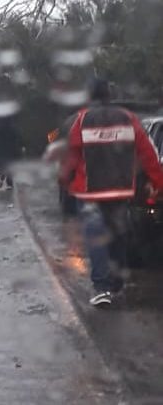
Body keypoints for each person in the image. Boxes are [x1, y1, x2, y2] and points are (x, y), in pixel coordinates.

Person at [60, 78, 163, 307]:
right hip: (120, 191)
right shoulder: (128, 119)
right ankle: (116, 283)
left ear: (89, 96)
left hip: (90, 193)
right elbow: (148, 153)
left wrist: (65, 181)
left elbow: (71, 157)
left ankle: (102, 287)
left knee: (96, 238)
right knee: (118, 236)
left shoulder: (82, 120)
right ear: (109, 95)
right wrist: (158, 181)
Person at [0, 116, 21, 190]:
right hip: (8, 151)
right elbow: (16, 140)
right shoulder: (12, 129)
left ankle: (1, 178)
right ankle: (8, 183)